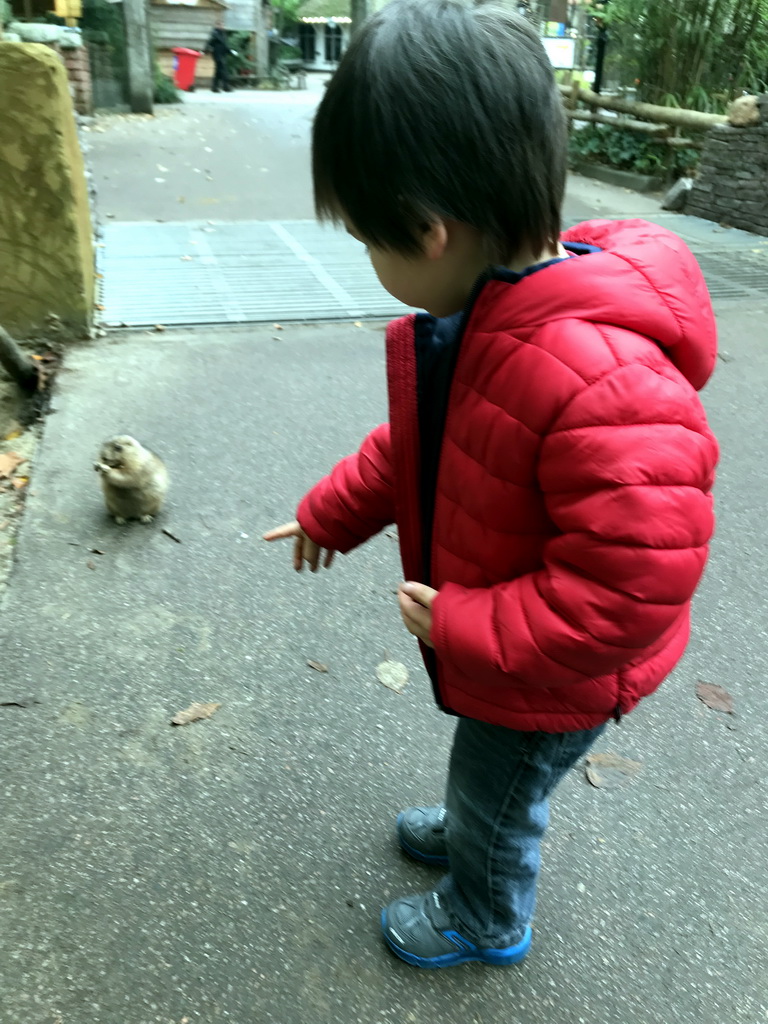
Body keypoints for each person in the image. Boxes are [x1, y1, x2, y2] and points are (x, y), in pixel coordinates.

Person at [264, 0, 719, 970]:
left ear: (429, 231)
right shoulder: (492, 311)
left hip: (553, 672)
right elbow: (423, 447)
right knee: (486, 776)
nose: (371, 259)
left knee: (499, 791)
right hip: (507, 645)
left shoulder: (604, 378)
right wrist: (331, 512)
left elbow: (632, 590)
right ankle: (478, 823)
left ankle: (486, 912)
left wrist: (468, 625)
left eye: (367, 238)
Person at [204, 22, 232, 93]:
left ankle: (215, 87)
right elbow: (209, 43)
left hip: (222, 54)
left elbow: (225, 44)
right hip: (217, 54)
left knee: (218, 72)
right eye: (220, 25)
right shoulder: (215, 34)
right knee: (223, 70)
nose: (222, 26)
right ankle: (225, 87)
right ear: (217, 26)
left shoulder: (223, 34)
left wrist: (230, 51)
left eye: (223, 25)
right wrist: (206, 50)